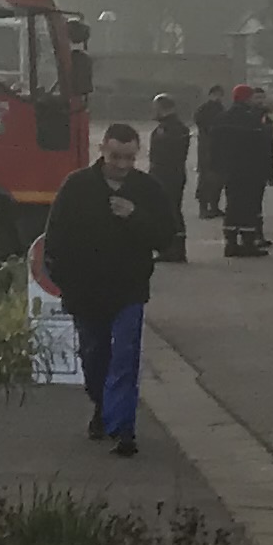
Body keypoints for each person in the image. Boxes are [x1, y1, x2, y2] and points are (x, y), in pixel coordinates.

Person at [41, 121, 176, 458]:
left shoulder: (147, 189)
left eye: (130, 157)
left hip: (129, 289)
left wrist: (135, 216)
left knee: (125, 357)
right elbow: (56, 237)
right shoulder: (77, 186)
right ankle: (102, 407)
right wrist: (64, 281)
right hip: (85, 291)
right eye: (116, 156)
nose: (122, 165)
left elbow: (166, 236)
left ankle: (123, 428)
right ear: (102, 150)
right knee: (94, 356)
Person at [216, 82, 273, 256]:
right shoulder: (253, 119)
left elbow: (215, 144)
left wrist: (217, 166)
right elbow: (263, 147)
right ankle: (248, 243)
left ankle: (230, 243)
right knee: (249, 207)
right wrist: (269, 170)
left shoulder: (223, 117)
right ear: (246, 98)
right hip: (251, 169)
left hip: (230, 170)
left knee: (232, 205)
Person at [143, 91, 191, 261]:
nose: (153, 111)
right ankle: (172, 248)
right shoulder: (172, 127)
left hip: (168, 175)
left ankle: (174, 249)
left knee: (170, 210)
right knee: (168, 210)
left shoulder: (172, 129)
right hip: (168, 174)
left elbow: (168, 155)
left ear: (163, 108)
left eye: (155, 108)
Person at [195, 84, 230, 218]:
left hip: (219, 147)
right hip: (206, 147)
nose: (218, 97)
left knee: (218, 179)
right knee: (205, 178)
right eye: (215, 94)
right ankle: (203, 208)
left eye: (220, 94)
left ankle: (214, 206)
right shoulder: (203, 109)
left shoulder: (221, 109)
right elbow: (199, 121)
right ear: (210, 95)